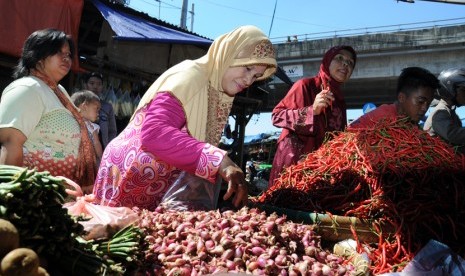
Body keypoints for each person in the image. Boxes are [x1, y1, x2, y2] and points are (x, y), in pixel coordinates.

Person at [92, 25, 277, 211]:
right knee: (113, 235)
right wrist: (219, 161)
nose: (248, 80)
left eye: (256, 76)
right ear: (228, 53)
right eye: (247, 68)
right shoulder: (192, 74)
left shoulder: (216, 91)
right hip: (128, 176)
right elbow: (154, 133)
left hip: (152, 185)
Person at [0, 28, 96, 193]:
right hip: (30, 195)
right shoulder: (27, 88)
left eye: (68, 54)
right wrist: (12, 197)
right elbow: (11, 144)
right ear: (38, 57)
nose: (66, 58)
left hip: (55, 197)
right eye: (59, 52)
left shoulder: (59, 92)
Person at [268, 45, 357, 187]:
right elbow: (277, 116)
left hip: (319, 168)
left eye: (350, 63)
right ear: (327, 62)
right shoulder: (305, 85)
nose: (345, 64)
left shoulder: (340, 102)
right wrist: (312, 111)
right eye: (339, 58)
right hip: (292, 165)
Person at [349, 66, 439, 129]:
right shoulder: (381, 119)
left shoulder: (410, 123)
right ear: (401, 98)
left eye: (428, 103)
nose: (424, 108)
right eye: (420, 101)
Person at [423, 68, 465, 153]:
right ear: (450, 90)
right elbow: (453, 135)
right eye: (463, 90)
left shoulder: (450, 111)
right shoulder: (440, 112)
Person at [83, 72, 118, 149]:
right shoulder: (79, 103)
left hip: (101, 150)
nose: (95, 87)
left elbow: (112, 131)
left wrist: (108, 147)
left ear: (102, 87)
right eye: (92, 83)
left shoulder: (107, 107)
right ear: (85, 85)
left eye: (99, 84)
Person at [71, 90, 104, 165]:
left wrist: (101, 158)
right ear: (84, 106)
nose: (98, 113)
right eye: (97, 108)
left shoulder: (92, 127)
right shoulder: (71, 122)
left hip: (88, 162)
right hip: (73, 159)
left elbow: (96, 143)